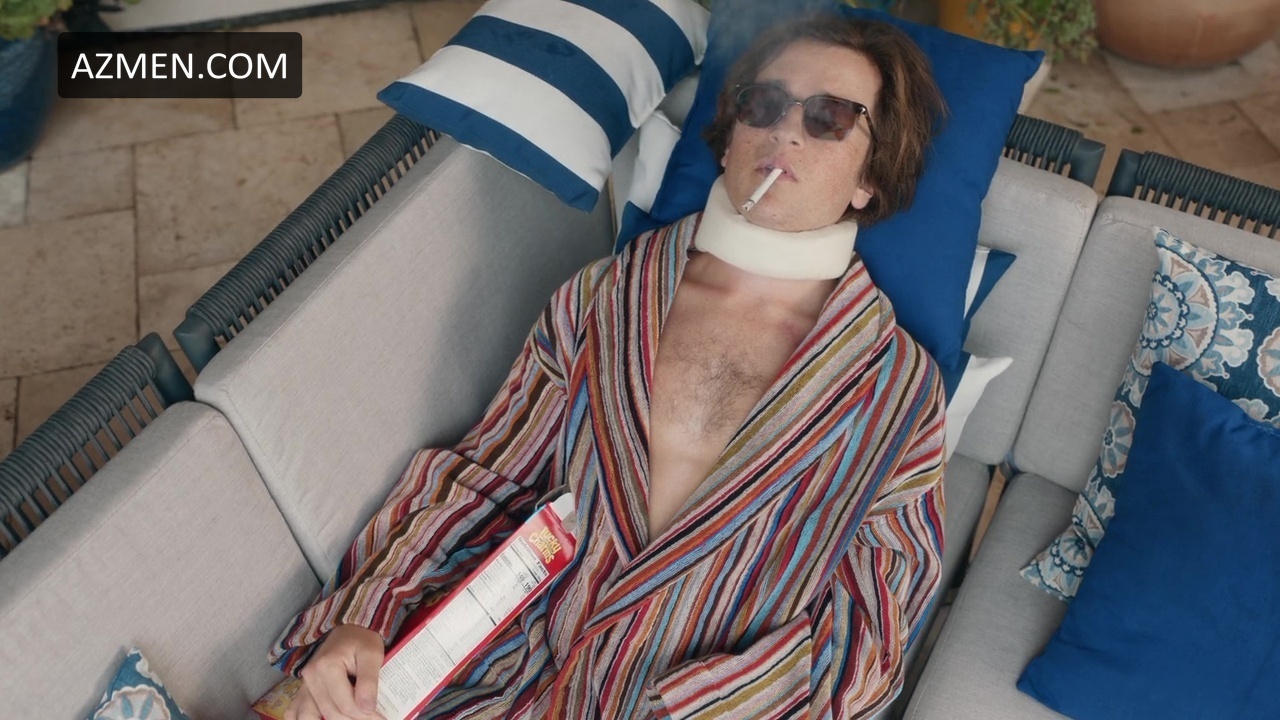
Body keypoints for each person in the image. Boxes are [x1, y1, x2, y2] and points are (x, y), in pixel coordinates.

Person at [273, 11, 948, 720]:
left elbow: (874, 631)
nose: (785, 131)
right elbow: (490, 474)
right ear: (730, 137)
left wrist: (703, 701)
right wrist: (368, 614)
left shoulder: (897, 389)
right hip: (507, 679)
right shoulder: (606, 295)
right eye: (765, 103)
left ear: (870, 177)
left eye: (829, 118)